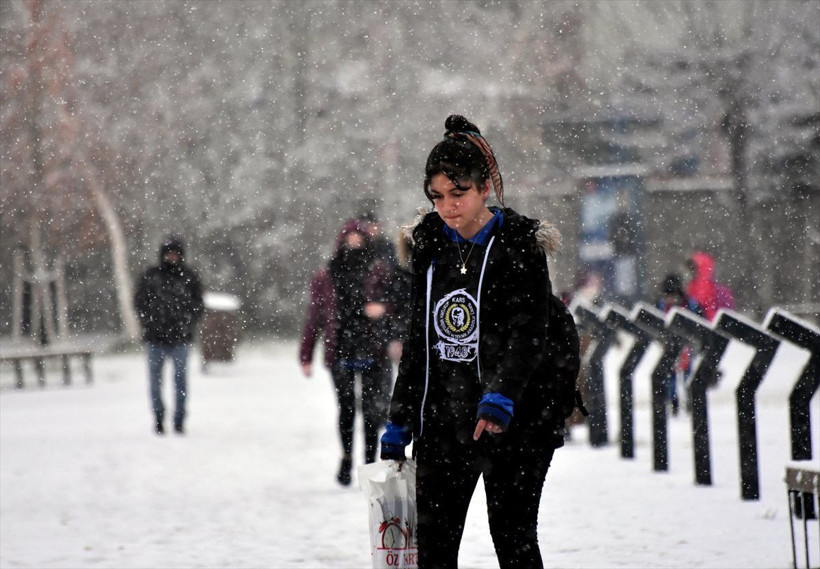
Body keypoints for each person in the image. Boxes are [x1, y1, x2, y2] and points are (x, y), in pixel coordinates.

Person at [380, 115, 566, 568]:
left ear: (485, 188)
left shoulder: (519, 244)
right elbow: (419, 339)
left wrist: (500, 396)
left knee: (513, 537)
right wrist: (401, 418)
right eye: (436, 196)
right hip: (445, 421)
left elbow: (530, 332)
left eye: (458, 193)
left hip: (516, 419)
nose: (447, 206)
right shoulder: (426, 245)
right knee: (434, 547)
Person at [299, 219, 396, 485]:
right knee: (346, 408)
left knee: (372, 410)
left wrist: (382, 310)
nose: (354, 243)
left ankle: (368, 461)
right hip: (340, 348)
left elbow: (396, 304)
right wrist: (306, 355)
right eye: (349, 237)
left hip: (373, 348)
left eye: (359, 238)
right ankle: (346, 457)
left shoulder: (379, 271)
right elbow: (315, 316)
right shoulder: (326, 275)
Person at [134, 235, 204, 435]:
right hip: (155, 339)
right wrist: (150, 322)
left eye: (175, 253)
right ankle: (158, 417)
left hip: (180, 339)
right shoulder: (151, 277)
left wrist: (186, 324)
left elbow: (198, 305)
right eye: (169, 253)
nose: (172, 257)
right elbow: (139, 302)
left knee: (180, 381)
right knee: (155, 382)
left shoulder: (189, 277)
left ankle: (179, 419)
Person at [655, 273, 701, 415]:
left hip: (687, 343)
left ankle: (690, 401)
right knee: (670, 376)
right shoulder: (661, 305)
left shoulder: (690, 304)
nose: (670, 299)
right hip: (669, 344)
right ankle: (674, 403)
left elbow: (699, 321)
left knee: (688, 375)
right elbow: (656, 324)